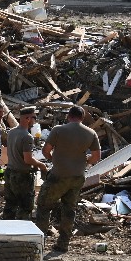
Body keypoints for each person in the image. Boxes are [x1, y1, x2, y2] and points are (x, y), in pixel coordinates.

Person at [34, 105, 101, 252]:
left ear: (68, 116)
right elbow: (96, 157)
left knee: (44, 207)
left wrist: (53, 160)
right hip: (77, 177)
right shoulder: (91, 133)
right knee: (69, 209)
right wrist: (85, 162)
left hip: (58, 175)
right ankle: (63, 244)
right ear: (82, 118)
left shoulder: (58, 130)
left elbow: (45, 151)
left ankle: (39, 244)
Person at [1, 106, 49, 220]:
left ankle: (5, 231)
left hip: (9, 173)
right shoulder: (27, 137)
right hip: (21, 176)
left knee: (10, 205)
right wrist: (42, 166)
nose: (35, 121)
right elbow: (28, 160)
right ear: (27, 118)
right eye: (34, 118)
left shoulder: (11, 132)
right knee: (25, 206)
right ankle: (20, 232)